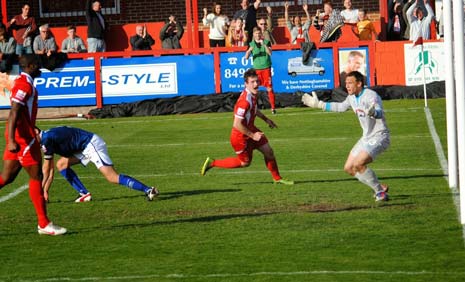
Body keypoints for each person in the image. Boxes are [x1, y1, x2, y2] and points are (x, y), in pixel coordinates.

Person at [0, 54, 66, 235]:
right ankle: (43, 224)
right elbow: (14, 112)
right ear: (30, 66)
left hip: (21, 135)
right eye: (37, 65)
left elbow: (20, 112)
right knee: (36, 176)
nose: (40, 68)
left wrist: (31, 126)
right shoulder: (24, 85)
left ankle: (43, 223)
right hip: (22, 139)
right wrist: (13, 139)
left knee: (6, 178)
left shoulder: (23, 81)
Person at [301, 71, 390, 202]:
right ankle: (378, 186)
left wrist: (373, 113)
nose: (347, 86)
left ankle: (380, 192)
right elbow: (341, 107)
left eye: (350, 83)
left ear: (359, 83)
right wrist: (319, 104)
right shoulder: (352, 97)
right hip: (366, 137)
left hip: (379, 136)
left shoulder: (371, 95)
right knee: (348, 168)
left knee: (359, 163)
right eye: (346, 83)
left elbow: (379, 112)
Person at [201, 68, 293, 186]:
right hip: (240, 136)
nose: (256, 84)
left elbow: (254, 110)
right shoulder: (244, 102)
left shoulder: (252, 95)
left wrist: (266, 120)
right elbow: (237, 124)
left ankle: (277, 178)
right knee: (245, 163)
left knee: (269, 152)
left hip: (250, 129)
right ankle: (212, 163)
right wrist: (252, 135)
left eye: (257, 81)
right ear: (246, 84)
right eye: (252, 82)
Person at [35, 126, 160, 203]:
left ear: (35, 132)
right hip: (83, 147)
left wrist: (40, 192)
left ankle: (148, 190)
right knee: (61, 164)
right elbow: (49, 168)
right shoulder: (46, 137)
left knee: (112, 177)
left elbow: (46, 169)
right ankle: (84, 194)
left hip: (90, 144)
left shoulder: (46, 140)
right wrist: (45, 191)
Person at [245, 28, 276, 114]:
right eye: (256, 33)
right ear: (254, 34)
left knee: (269, 88)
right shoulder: (251, 44)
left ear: (261, 34)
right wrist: (249, 50)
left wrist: (264, 45)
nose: (258, 35)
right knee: (254, 89)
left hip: (266, 68)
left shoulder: (266, 42)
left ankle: (273, 108)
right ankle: (254, 107)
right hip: (257, 69)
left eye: (259, 33)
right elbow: (246, 57)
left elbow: (270, 53)